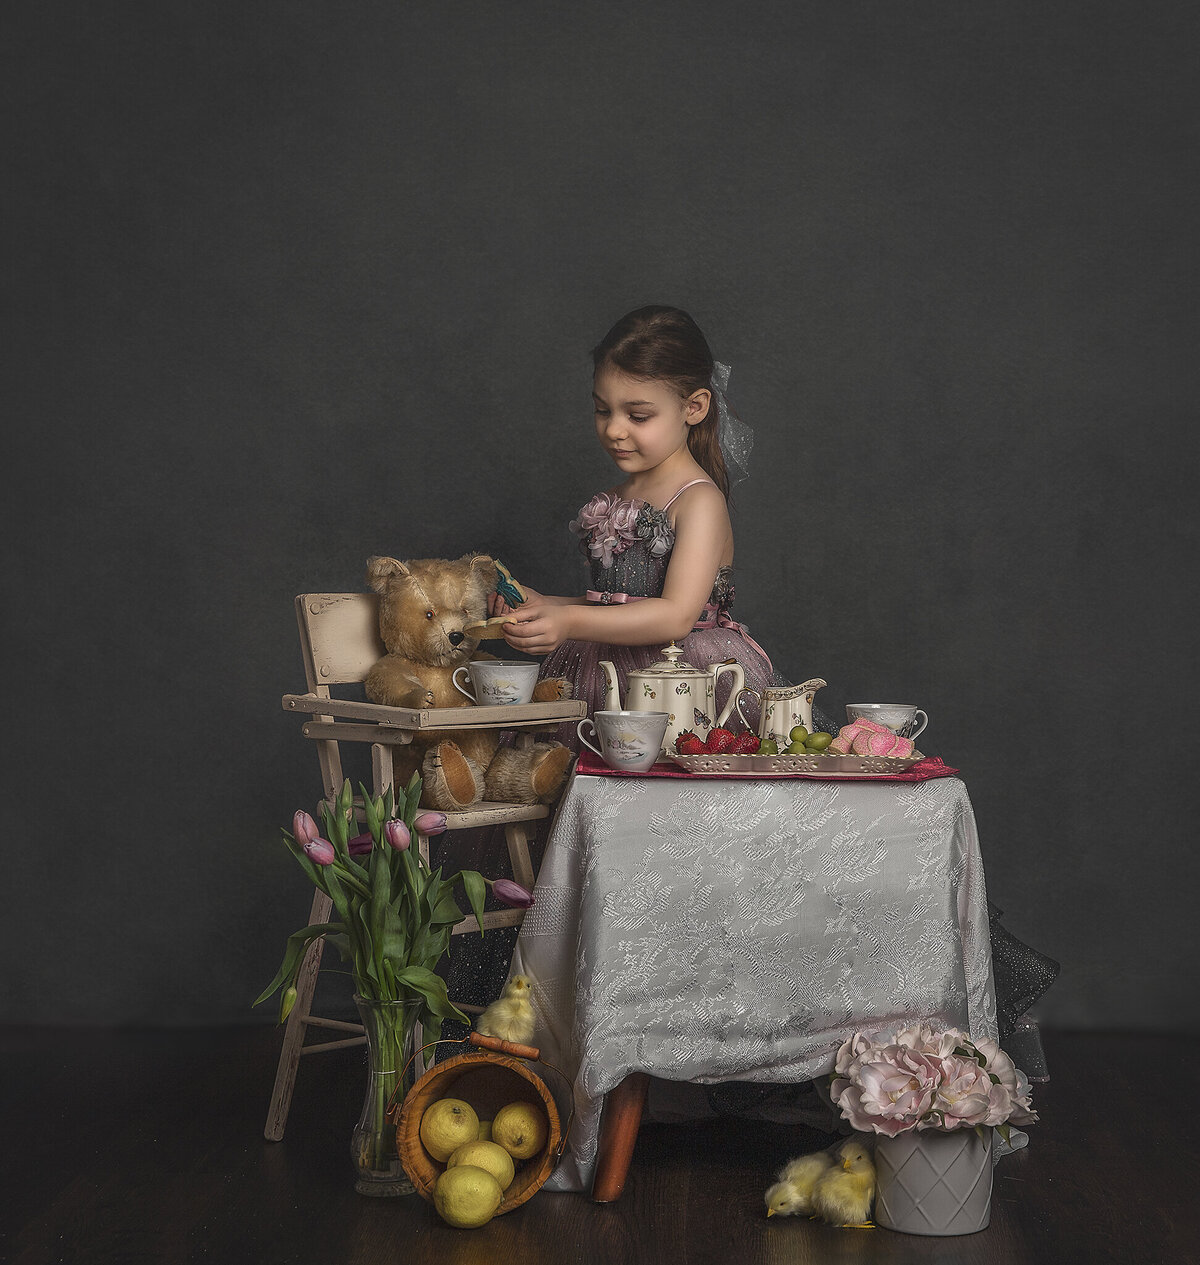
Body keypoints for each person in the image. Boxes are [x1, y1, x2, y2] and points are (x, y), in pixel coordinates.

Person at [490, 304, 807, 743]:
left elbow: (675, 616)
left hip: (679, 679)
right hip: (603, 672)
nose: (615, 430)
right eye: (603, 410)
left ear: (693, 407)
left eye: (638, 416)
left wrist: (566, 624)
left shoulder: (698, 500)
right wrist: (547, 604)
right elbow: (616, 603)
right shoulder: (619, 496)